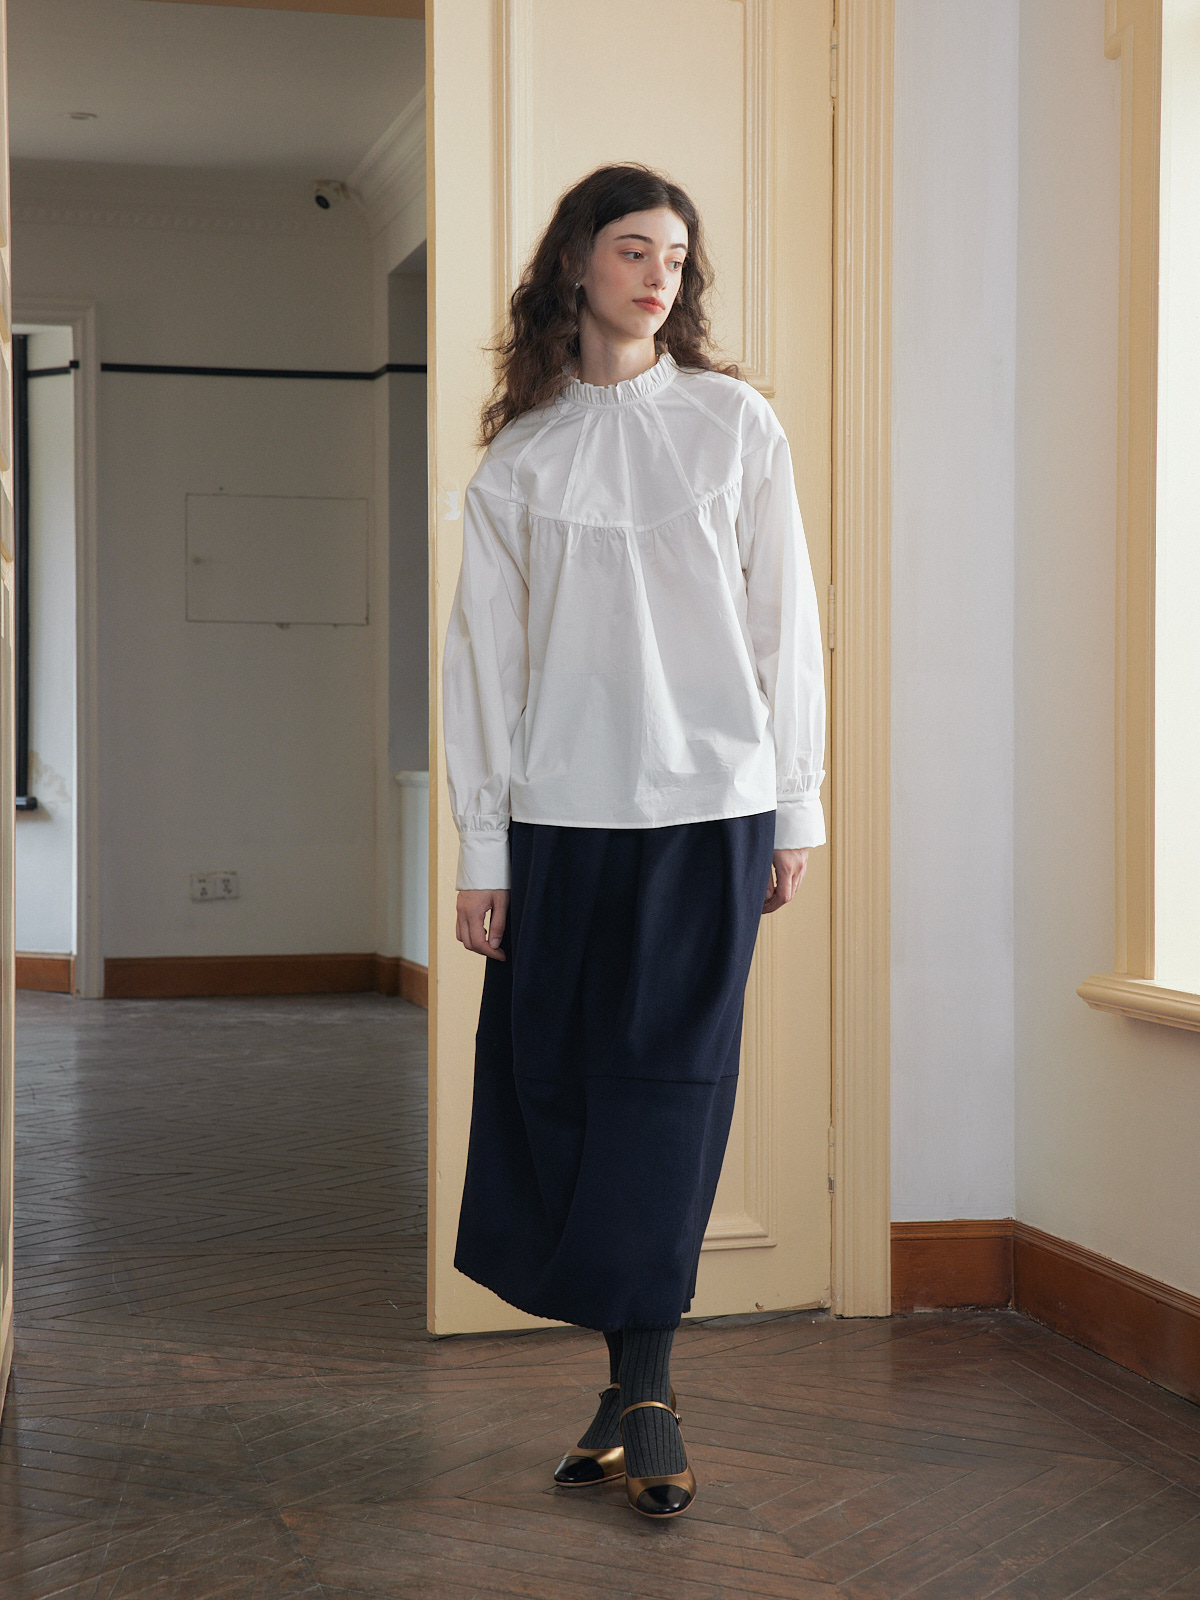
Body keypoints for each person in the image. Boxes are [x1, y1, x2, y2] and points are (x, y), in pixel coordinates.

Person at [441, 163, 826, 1520]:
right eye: (631, 250)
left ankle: (650, 1389)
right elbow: (482, 668)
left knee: (667, 1095)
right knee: (561, 1092)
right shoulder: (520, 460)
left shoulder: (734, 425)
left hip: (710, 815)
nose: (659, 275)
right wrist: (482, 848)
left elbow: (786, 627)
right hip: (558, 822)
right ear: (576, 264)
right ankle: (622, 1392)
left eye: (675, 255)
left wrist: (795, 807)